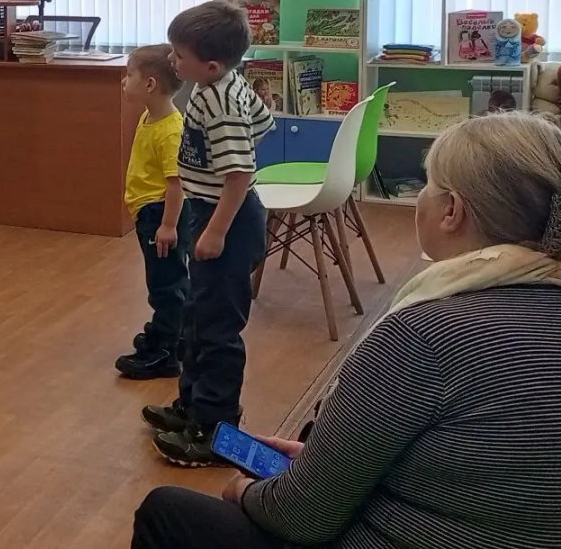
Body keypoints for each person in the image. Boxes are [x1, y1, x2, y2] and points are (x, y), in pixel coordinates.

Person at [133, 111, 561, 549]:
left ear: (451, 211)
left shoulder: (422, 337)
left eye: (427, 184)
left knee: (167, 512)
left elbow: (302, 517)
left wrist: (244, 491)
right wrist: (328, 461)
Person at [145, 1, 274, 465]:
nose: (172, 61)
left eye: (179, 55)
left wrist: (216, 231)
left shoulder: (220, 103)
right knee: (197, 318)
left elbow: (239, 175)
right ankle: (192, 406)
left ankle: (215, 429)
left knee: (218, 328)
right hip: (211, 210)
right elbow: (264, 121)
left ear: (211, 65)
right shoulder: (219, 83)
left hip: (228, 221)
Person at [116, 44, 194, 380]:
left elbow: (176, 184)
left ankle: (165, 350)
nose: (124, 81)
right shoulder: (150, 117)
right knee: (165, 280)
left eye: (129, 74)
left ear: (150, 84)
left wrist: (168, 225)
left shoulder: (171, 130)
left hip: (161, 215)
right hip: (149, 212)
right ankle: (176, 336)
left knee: (166, 285)